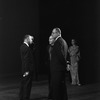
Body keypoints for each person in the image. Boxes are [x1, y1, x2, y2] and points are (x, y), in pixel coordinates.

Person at [50, 28, 68, 100]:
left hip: (57, 69)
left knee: (57, 88)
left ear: (58, 33)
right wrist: (66, 64)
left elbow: (60, 55)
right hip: (61, 69)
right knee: (62, 87)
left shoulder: (58, 42)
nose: (52, 34)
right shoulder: (64, 41)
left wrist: (65, 64)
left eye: (53, 33)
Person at [19, 35, 35, 100]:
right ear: (26, 39)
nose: (32, 41)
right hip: (27, 70)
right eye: (31, 39)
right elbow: (26, 60)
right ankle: (25, 97)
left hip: (25, 69)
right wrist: (27, 71)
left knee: (24, 84)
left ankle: (22, 97)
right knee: (27, 85)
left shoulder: (23, 47)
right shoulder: (26, 48)